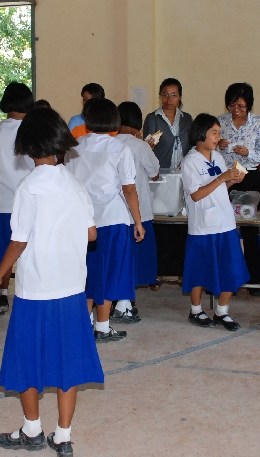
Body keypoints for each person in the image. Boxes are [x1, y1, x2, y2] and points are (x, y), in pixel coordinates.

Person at [0, 107, 103, 455]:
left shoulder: (29, 187)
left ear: (27, 145)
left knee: (27, 359)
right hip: (71, 288)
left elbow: (19, 240)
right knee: (67, 361)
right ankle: (63, 436)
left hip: (35, 289)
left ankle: (32, 430)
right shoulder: (74, 183)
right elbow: (92, 234)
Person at [65, 99, 145, 340]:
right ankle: (102, 326)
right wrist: (138, 221)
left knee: (87, 272)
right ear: (114, 121)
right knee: (110, 273)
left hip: (82, 221)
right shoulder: (120, 149)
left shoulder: (75, 146)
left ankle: (84, 325)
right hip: (112, 219)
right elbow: (129, 189)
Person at [181, 114, 250, 331]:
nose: (218, 137)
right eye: (214, 133)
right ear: (200, 133)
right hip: (203, 225)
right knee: (200, 269)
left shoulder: (218, 157)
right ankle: (196, 310)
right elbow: (196, 195)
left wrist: (231, 181)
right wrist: (221, 178)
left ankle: (222, 311)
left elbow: (220, 188)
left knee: (230, 267)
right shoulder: (190, 162)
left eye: (219, 133)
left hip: (225, 221)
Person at [0, 83, 35, 316]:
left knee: (3, 252)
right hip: (32, 203)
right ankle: (30, 295)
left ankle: (0, 296)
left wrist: (5, 172)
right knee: (32, 250)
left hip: (1, 203)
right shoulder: (34, 132)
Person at [216, 83, 260, 295]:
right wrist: (219, 145)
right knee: (225, 228)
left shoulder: (258, 123)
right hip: (226, 176)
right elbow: (209, 146)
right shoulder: (220, 121)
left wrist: (248, 153)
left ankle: (253, 281)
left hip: (249, 177)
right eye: (232, 105)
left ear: (249, 105)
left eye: (241, 106)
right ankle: (230, 279)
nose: (236, 110)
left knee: (250, 229)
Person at [115, 101, 161, 299]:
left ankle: (120, 299)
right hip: (139, 210)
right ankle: (127, 302)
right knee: (138, 258)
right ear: (137, 122)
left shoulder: (111, 143)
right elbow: (155, 174)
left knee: (118, 258)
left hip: (115, 211)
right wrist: (148, 147)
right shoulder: (140, 146)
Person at [143, 78, 194, 169]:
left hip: (184, 171)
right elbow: (147, 148)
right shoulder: (152, 118)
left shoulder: (187, 118)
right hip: (160, 171)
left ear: (180, 97)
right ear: (160, 96)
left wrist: (187, 162)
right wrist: (149, 145)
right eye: (165, 95)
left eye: (174, 95)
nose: (169, 99)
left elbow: (193, 144)